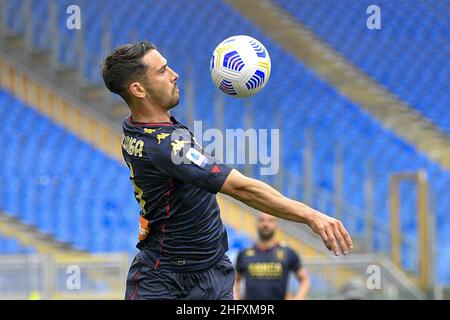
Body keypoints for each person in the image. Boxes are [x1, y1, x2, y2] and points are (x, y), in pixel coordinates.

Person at [101, 40, 353, 300]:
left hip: (212, 273)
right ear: (138, 89)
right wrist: (310, 215)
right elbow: (241, 188)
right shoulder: (164, 146)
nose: (174, 75)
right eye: (163, 70)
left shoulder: (135, 128)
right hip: (166, 279)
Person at [234, 213, 311, 300]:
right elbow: (235, 281)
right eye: (262, 220)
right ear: (256, 223)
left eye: (270, 221)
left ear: (276, 224)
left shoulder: (288, 252)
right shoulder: (244, 254)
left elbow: (305, 280)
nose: (265, 224)